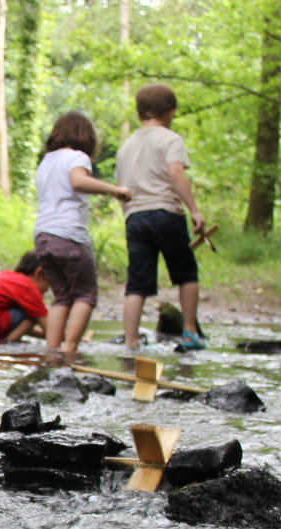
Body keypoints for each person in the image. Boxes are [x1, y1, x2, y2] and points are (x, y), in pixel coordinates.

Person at [115, 83, 207, 351]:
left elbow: (122, 186)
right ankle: (189, 331)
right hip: (165, 211)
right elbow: (176, 173)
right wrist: (194, 210)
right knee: (186, 272)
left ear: (139, 113)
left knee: (137, 282)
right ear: (169, 113)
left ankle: (130, 341)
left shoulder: (126, 146)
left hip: (135, 216)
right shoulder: (169, 139)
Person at [33, 111, 131, 360]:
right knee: (85, 294)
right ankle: (69, 350)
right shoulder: (77, 157)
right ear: (86, 136)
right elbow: (78, 182)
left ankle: (52, 350)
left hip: (43, 234)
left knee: (61, 296)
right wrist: (115, 190)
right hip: (69, 233)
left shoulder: (46, 161)